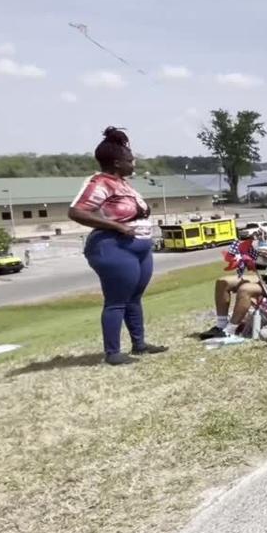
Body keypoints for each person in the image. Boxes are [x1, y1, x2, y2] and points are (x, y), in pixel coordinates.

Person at [68, 127, 167, 365]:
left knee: (134, 297)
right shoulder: (100, 183)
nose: (133, 163)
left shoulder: (123, 183)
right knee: (116, 301)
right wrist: (116, 226)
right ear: (116, 162)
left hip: (139, 247)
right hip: (114, 247)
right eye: (129, 160)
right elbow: (76, 211)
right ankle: (113, 353)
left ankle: (139, 344)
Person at [199, 209, 267, 340]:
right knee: (223, 282)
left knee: (245, 289)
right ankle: (221, 326)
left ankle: (230, 330)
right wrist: (264, 245)